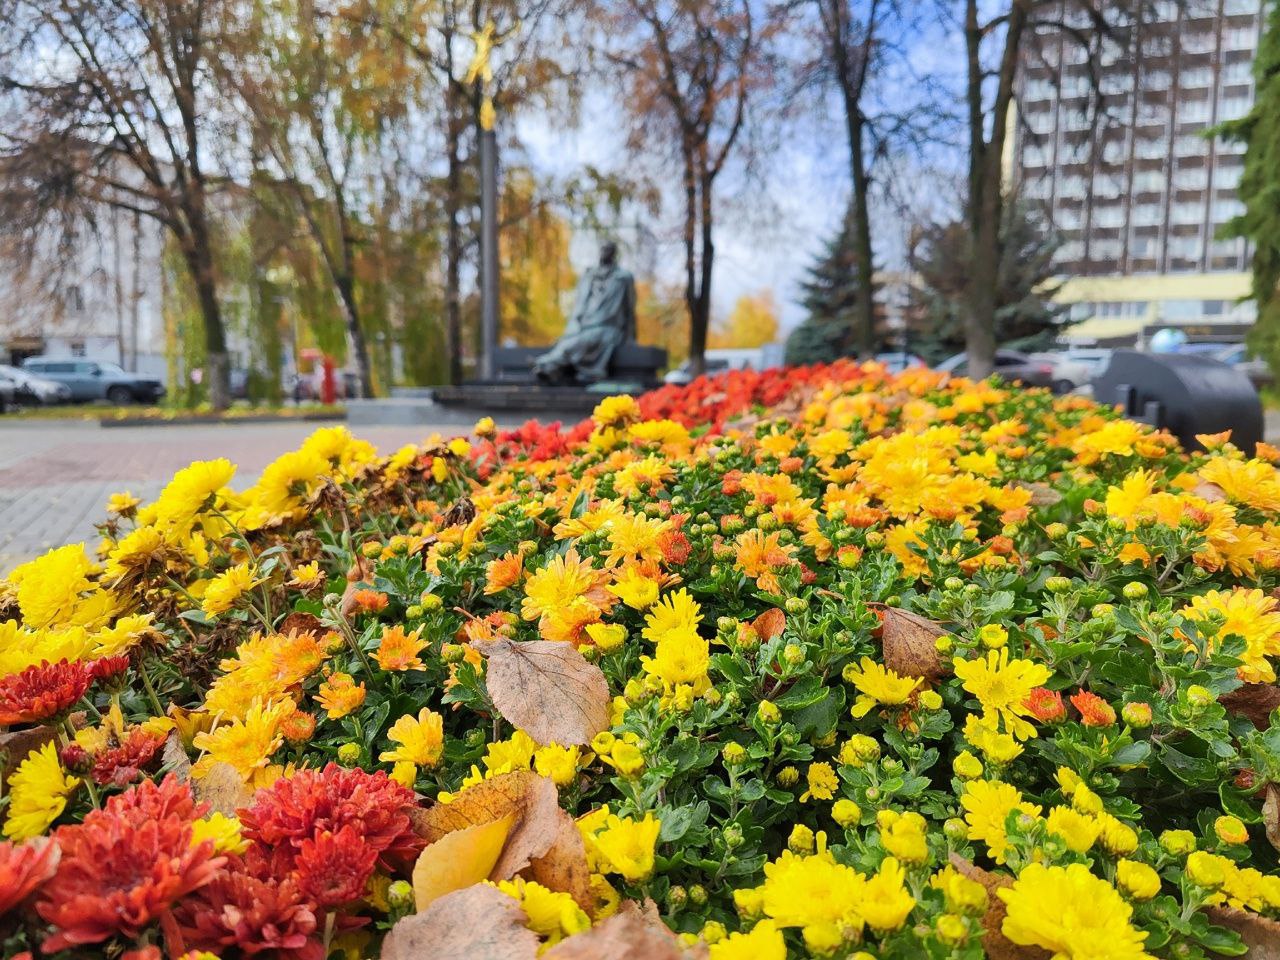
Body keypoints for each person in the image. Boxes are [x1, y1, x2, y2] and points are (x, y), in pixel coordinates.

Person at [532, 241, 635, 385]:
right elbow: (579, 306)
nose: (604, 253)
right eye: (603, 249)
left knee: (579, 343)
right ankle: (551, 367)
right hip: (585, 326)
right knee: (567, 342)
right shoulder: (589, 276)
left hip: (607, 328)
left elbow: (629, 308)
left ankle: (548, 364)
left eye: (608, 250)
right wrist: (571, 330)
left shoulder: (623, 277)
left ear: (614, 254)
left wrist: (630, 337)